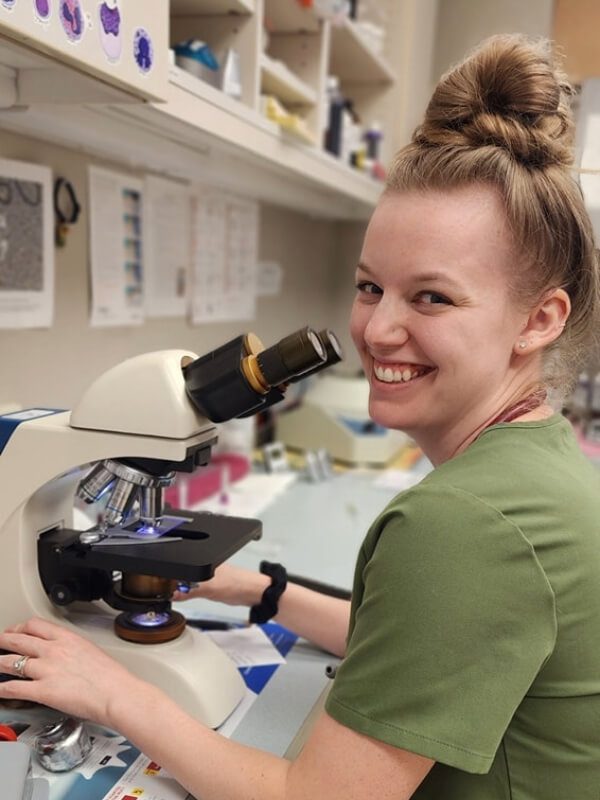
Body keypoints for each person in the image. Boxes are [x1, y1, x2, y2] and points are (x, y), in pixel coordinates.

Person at [1, 33, 600, 799]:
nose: (378, 330)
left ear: (540, 320)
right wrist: (259, 591)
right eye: (369, 286)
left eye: (433, 297)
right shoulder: (540, 461)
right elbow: (423, 649)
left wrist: (111, 690)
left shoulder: (464, 525)